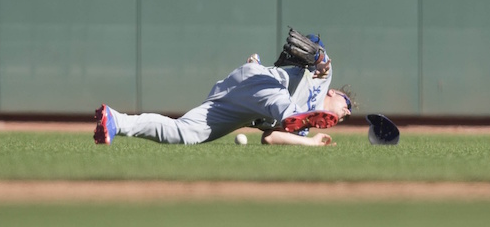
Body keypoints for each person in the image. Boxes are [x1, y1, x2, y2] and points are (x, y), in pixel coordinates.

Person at [93, 32, 353, 146]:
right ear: (334, 93)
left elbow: (270, 138)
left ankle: (116, 121)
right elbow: (312, 42)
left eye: (349, 112)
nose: (348, 112)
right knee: (283, 106)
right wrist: (320, 59)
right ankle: (288, 115)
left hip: (241, 103)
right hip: (264, 84)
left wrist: (312, 144)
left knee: (184, 133)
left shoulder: (306, 129)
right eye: (347, 103)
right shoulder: (323, 80)